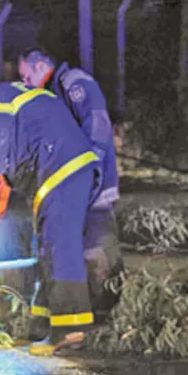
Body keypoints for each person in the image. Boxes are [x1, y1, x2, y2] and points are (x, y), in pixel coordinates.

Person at [0, 80, 101, 353]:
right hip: (69, 169)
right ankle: (41, 327)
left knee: (60, 248)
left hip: (62, 170)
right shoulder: (27, 97)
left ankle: (71, 330)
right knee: (49, 248)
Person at [18, 48, 123, 321]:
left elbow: (97, 124)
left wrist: (91, 173)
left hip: (94, 190)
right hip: (67, 193)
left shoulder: (72, 83)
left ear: (41, 66)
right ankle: (77, 316)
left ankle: (109, 315)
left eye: (27, 76)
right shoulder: (46, 99)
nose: (25, 83)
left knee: (97, 251)